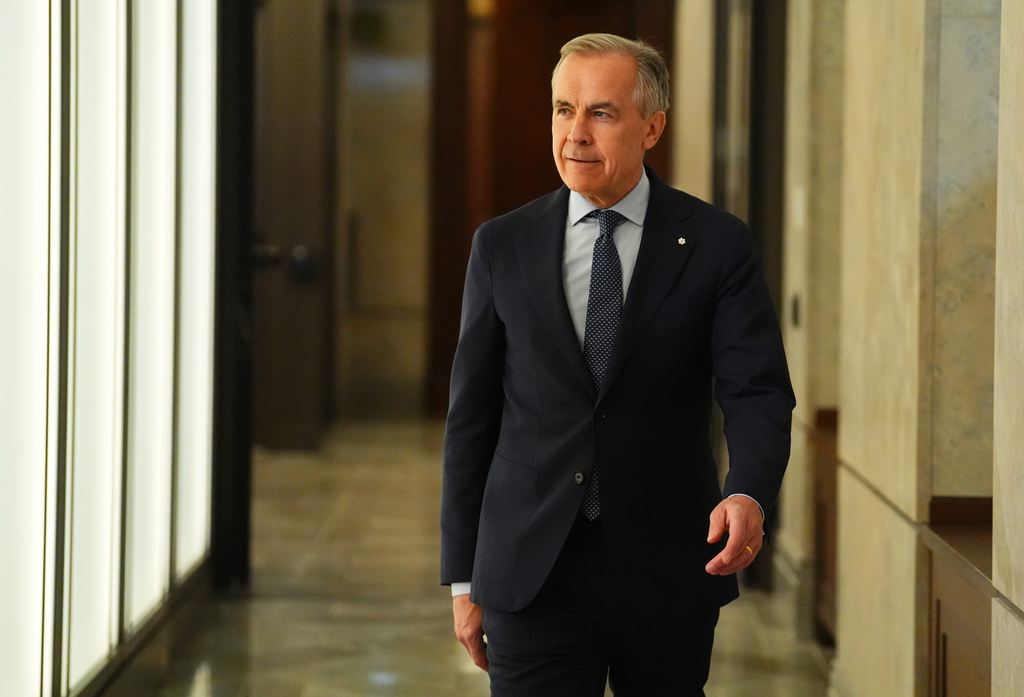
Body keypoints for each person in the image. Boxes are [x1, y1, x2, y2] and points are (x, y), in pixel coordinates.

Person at [440, 32, 794, 696]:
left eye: (600, 112)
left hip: (667, 565)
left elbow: (758, 391)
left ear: (651, 126)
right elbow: (471, 420)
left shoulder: (716, 244)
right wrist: (464, 576)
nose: (575, 133)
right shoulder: (502, 246)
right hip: (530, 568)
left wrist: (747, 489)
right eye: (562, 109)